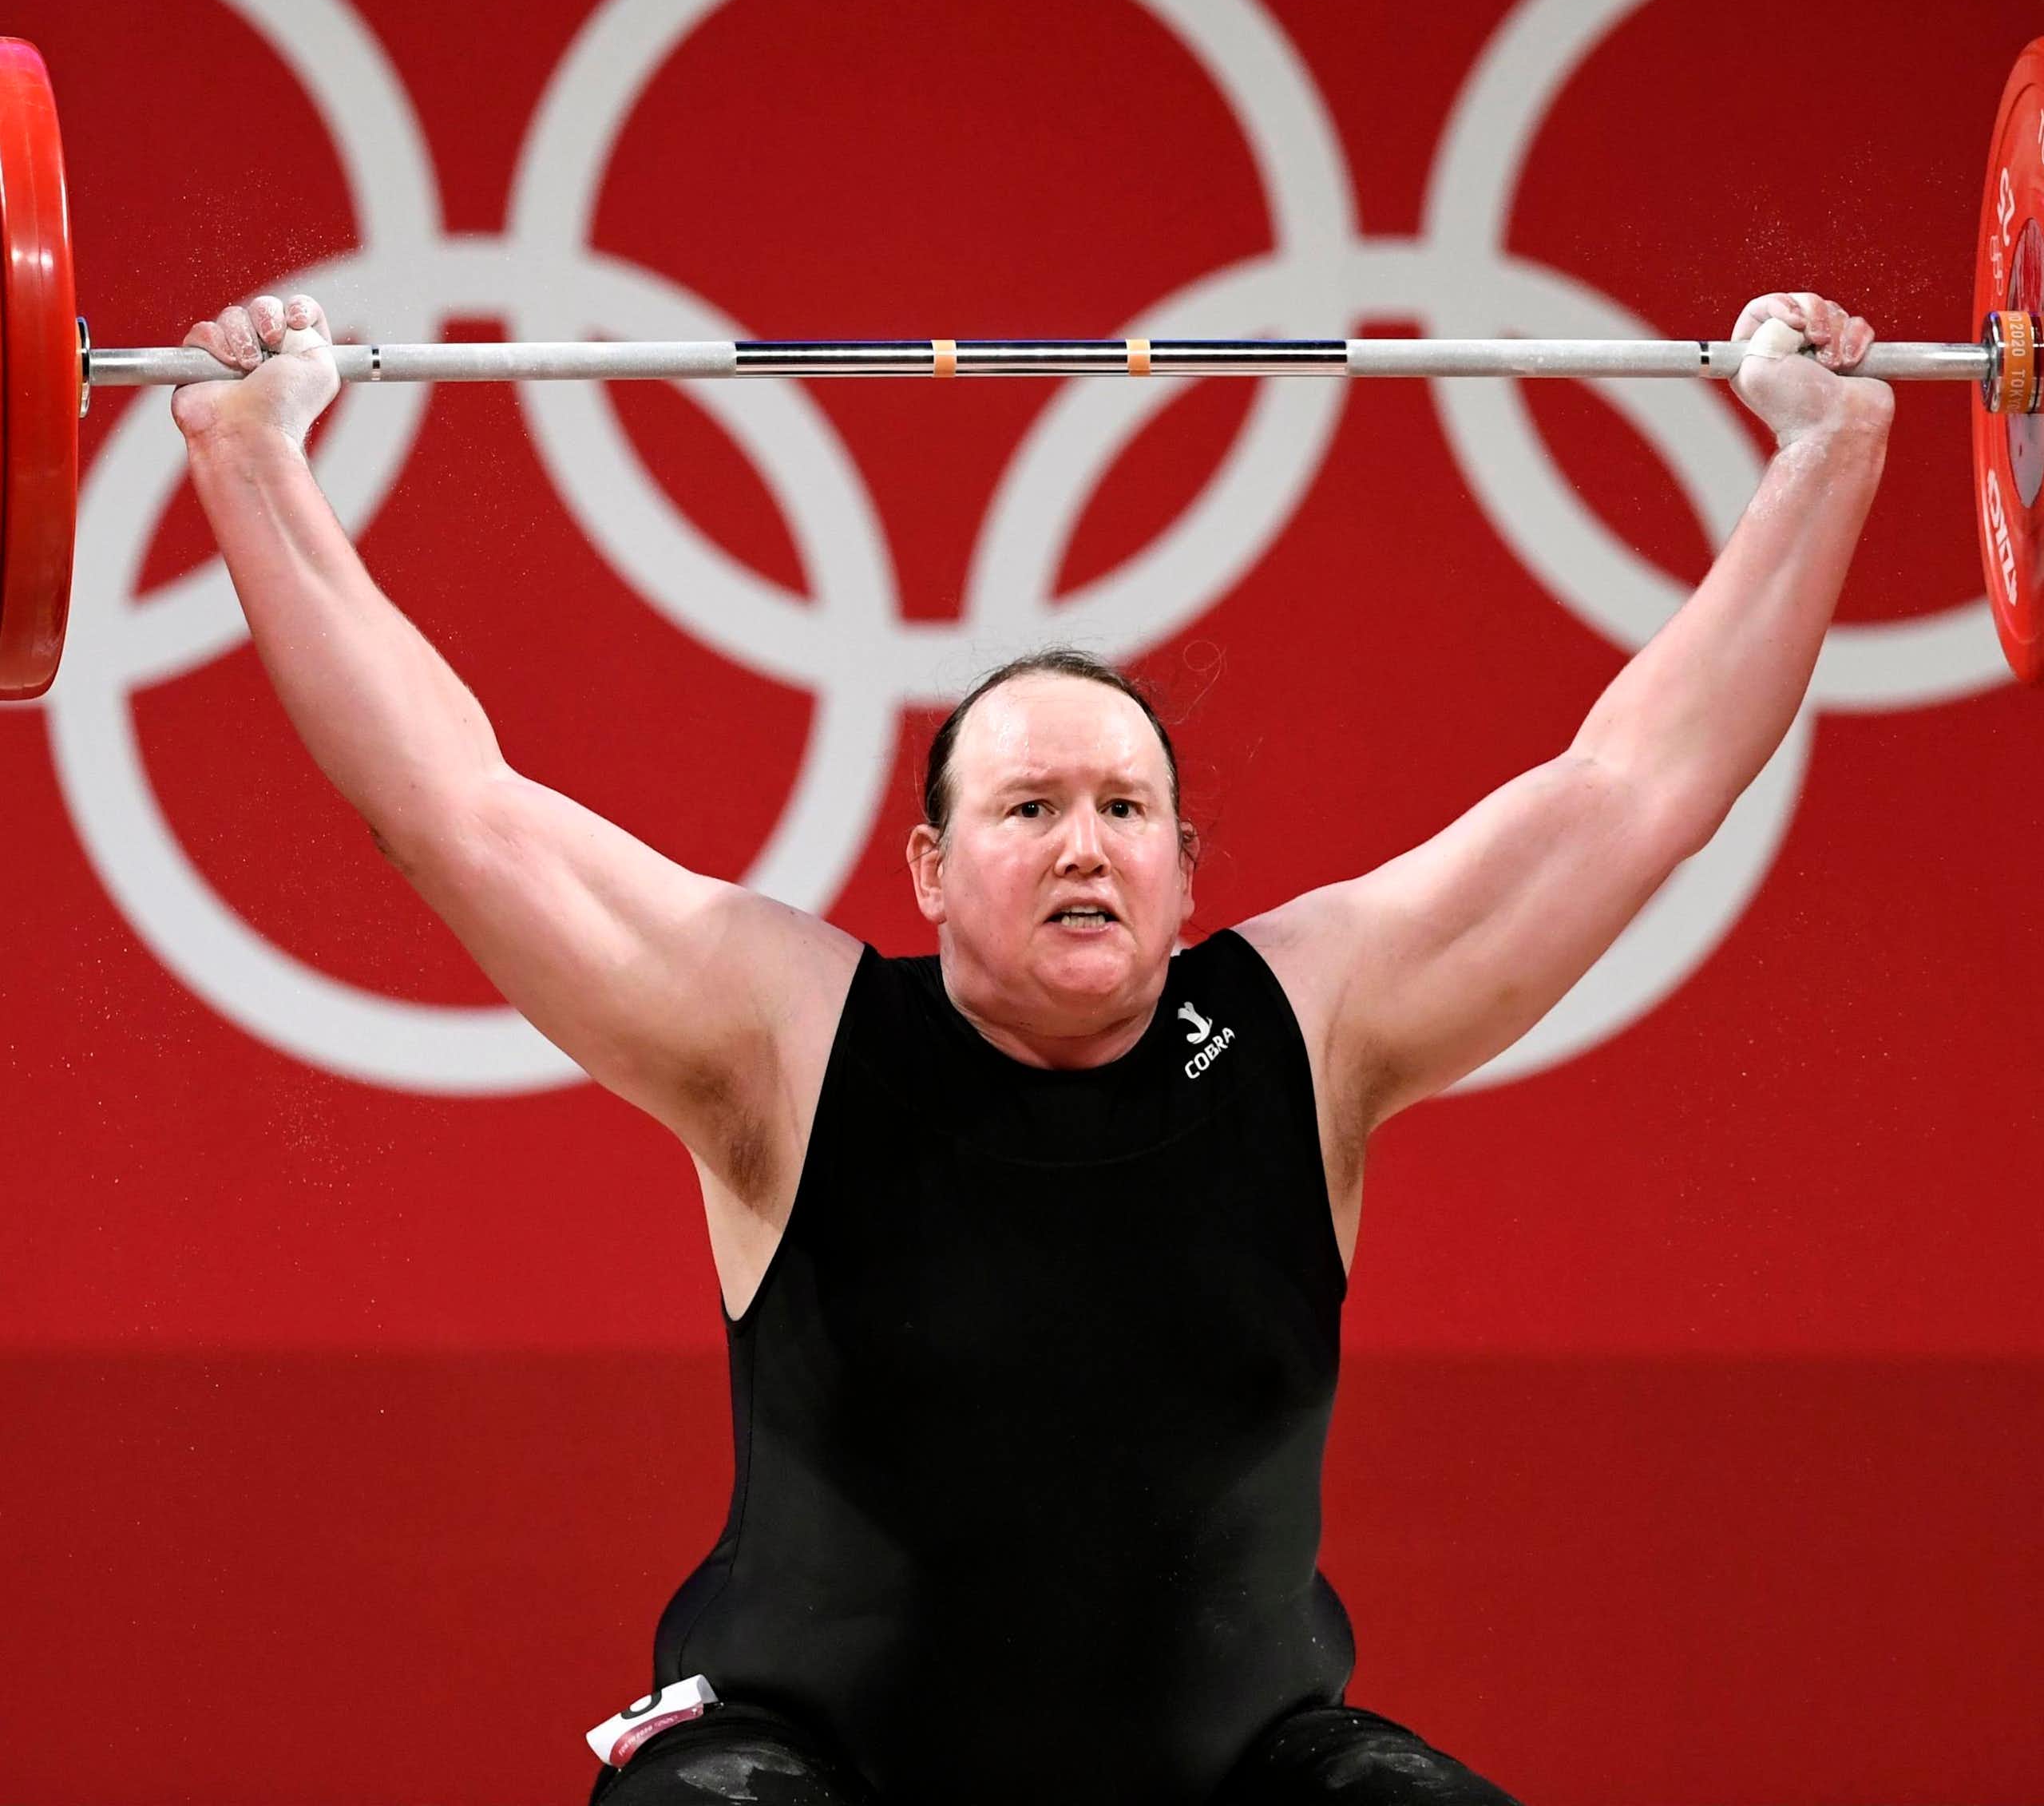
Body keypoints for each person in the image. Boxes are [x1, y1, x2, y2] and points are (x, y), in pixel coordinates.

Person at [170, 290, 1891, 1805]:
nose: (1085, 842)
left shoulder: (1314, 1020)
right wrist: (254, 462)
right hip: (800, 1760)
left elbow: (1631, 795)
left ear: (1182, 866)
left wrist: (1824, 455)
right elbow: (452, 809)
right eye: (1029, 805)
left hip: (1242, 1769)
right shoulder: (782, 1039)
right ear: (926, 867)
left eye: (1125, 805)